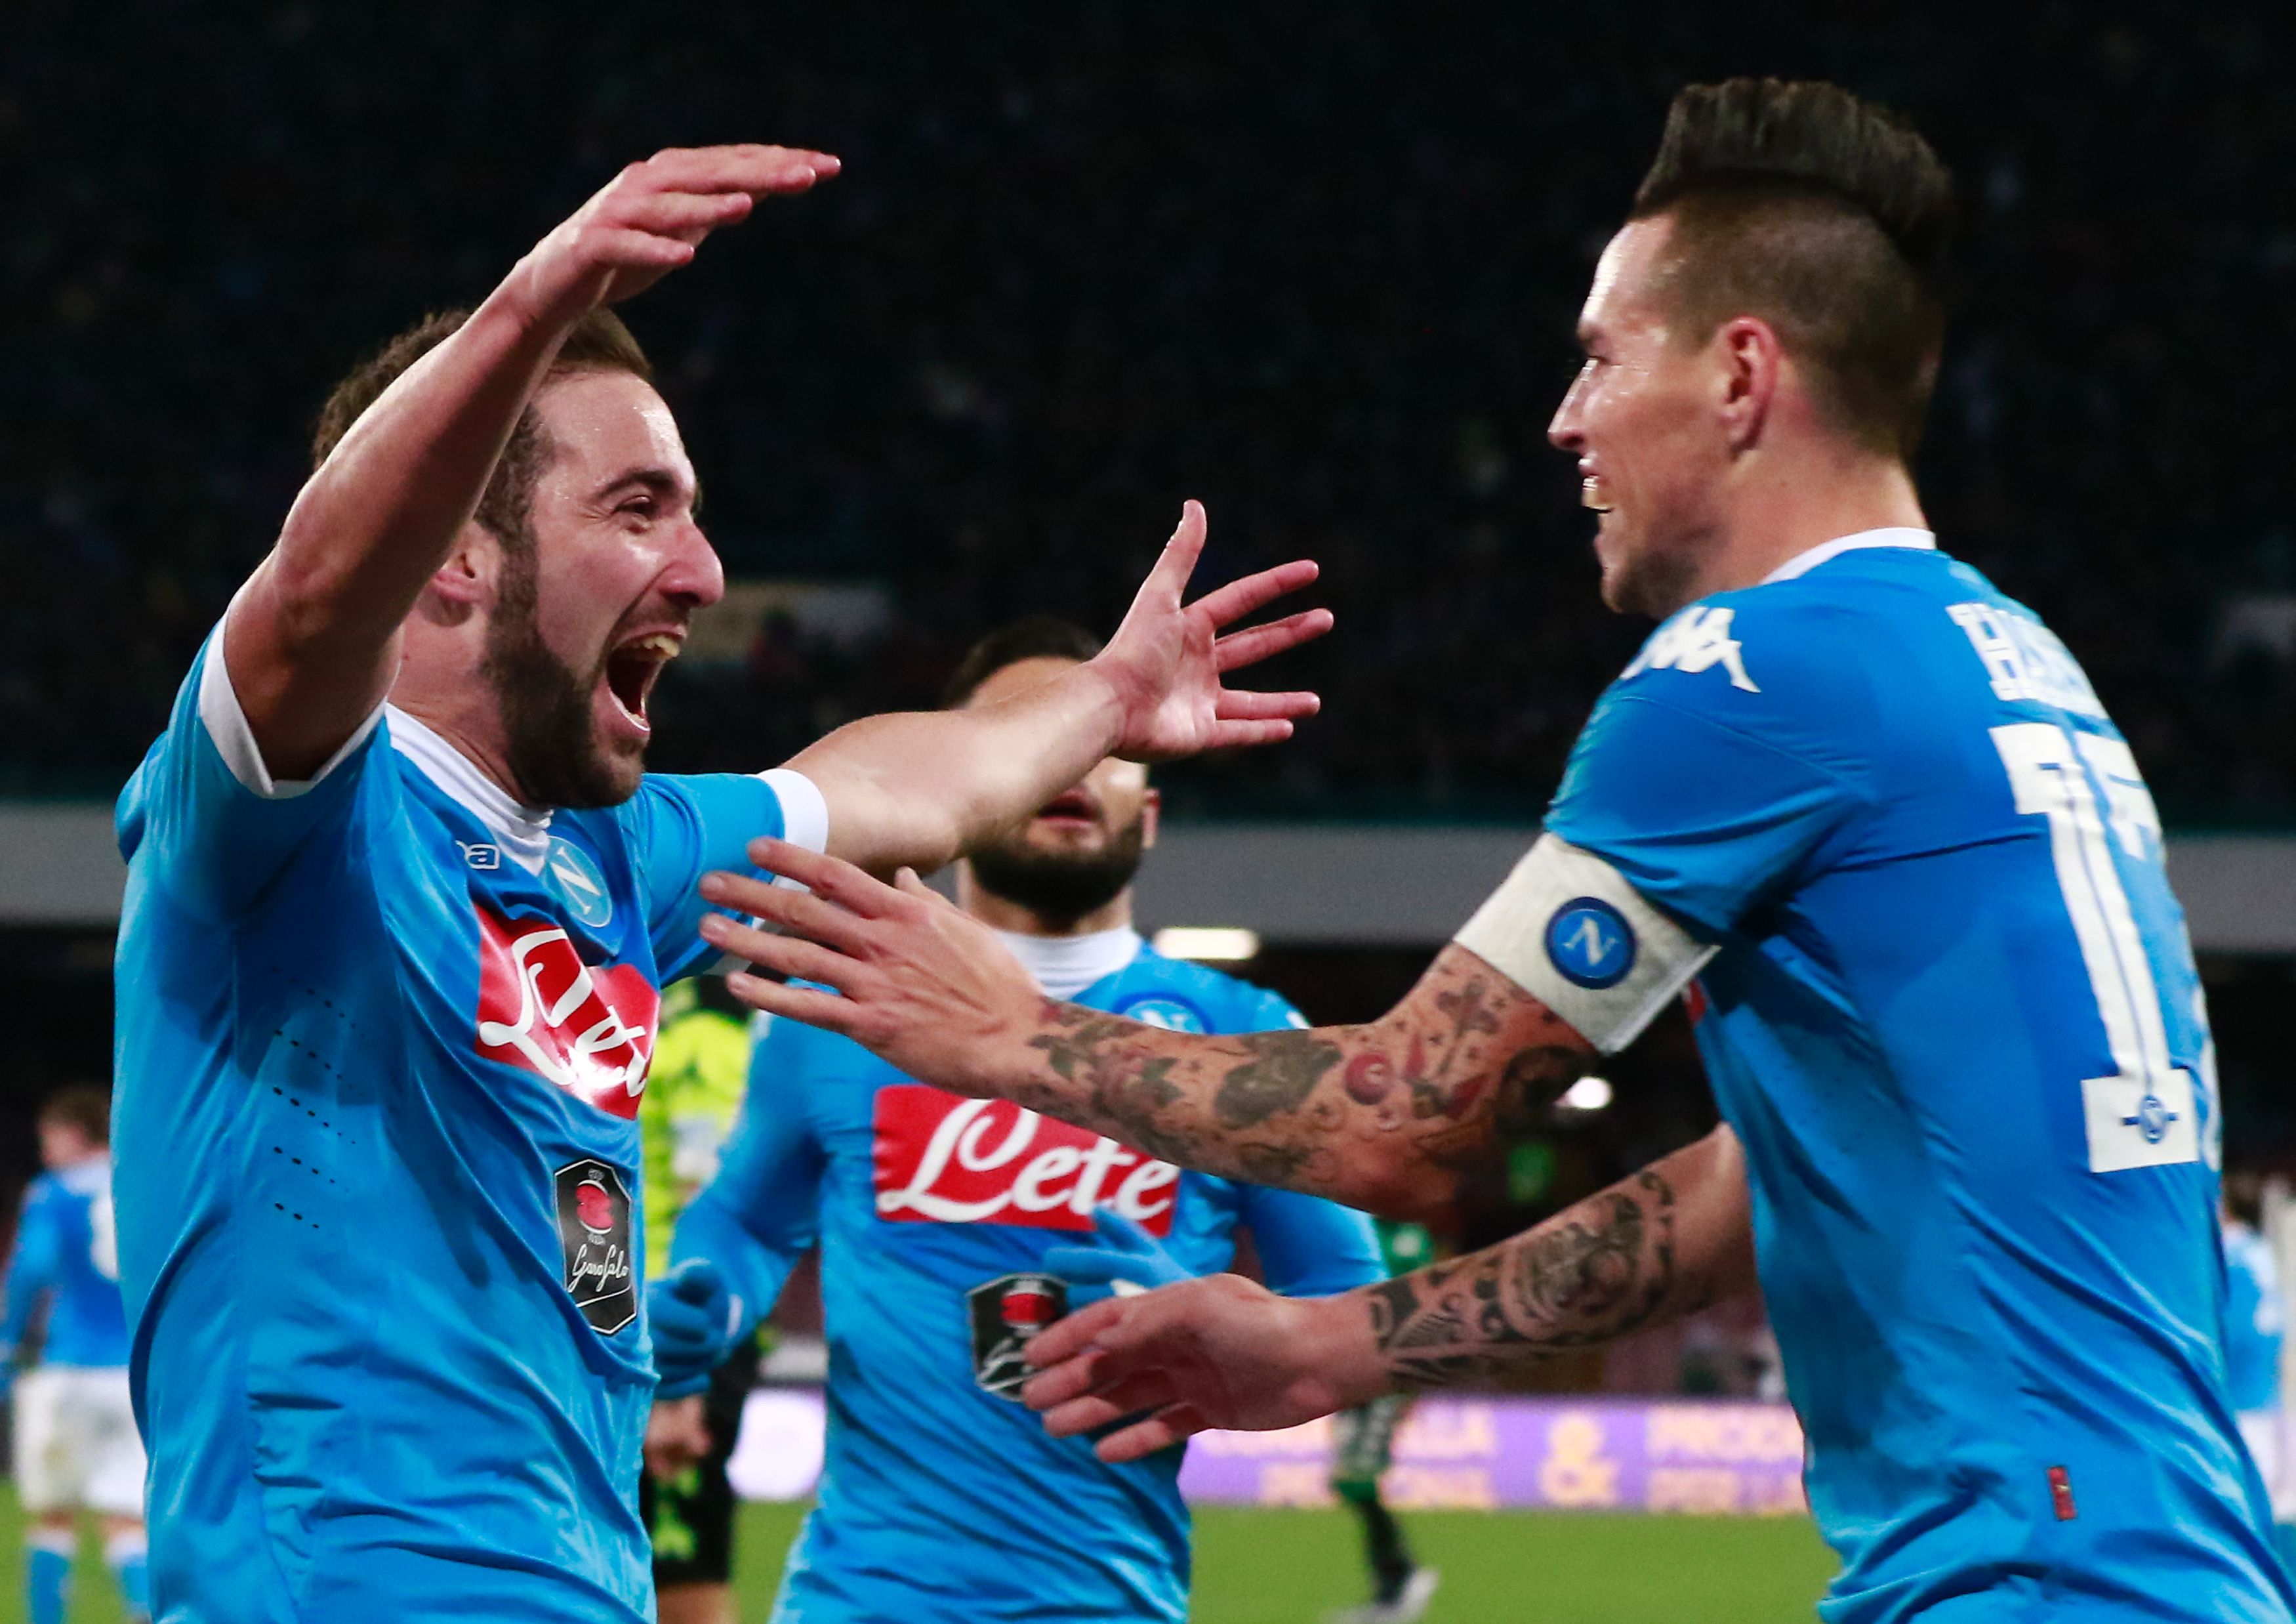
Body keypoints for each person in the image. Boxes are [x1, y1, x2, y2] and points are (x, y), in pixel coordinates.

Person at [695, 81, 2296, 1622]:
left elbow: (1399, 1122)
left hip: (2031, 1568)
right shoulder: (2010, 668)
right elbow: (1766, 1180)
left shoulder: (1757, 674)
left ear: (1742, 376)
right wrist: (1338, 1348)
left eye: (1604, 358)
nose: (1564, 418)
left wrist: (1003, 1028)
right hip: (2146, 1551)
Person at [109, 143, 1328, 1624]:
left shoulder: (610, 854)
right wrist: (527, 310)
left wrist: (1103, 701)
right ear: (449, 560)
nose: (699, 570)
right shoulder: (287, 821)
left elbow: (896, 784)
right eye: (638, 509)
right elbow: (309, 602)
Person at [647, 616, 1385, 1622]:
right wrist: (712, 1300)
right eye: (1035, 734)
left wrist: (1226, 1334)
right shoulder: (839, 1020)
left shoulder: (1246, 1037)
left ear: (1151, 810)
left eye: (1109, 745)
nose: (1077, 765)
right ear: (962, 784)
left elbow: (1354, 1302)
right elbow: (744, 1218)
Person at [637, 979, 766, 1624]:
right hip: (671, 1328)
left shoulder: (679, 1026)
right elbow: (710, 1193)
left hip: (655, 1328)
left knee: (668, 1574)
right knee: (665, 1569)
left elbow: (704, 1195)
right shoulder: (706, 1032)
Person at [2, 1087, 149, 1624]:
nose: (44, 1152)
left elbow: (32, 1268)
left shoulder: (52, 1193)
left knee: (51, 1518)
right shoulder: (139, 1182)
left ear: (73, 1133)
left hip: (69, 1371)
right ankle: (144, 1613)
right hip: (131, 1376)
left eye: (49, 1139)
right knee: (127, 1519)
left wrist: (10, 1341)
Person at [1324, 1218, 1437, 1624]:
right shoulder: (1358, 1227)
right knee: (1349, 1482)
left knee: (1359, 1478)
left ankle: (1399, 1580)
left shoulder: (1408, 1237)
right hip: (1352, 1374)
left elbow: (1420, 1312)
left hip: (1386, 1377)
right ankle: (1395, 1581)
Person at [2224, 1169, 2292, 1566]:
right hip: (2267, 1405)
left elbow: (2233, 1336)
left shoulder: (2227, 1259)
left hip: (2241, 1409)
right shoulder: (2257, 1249)